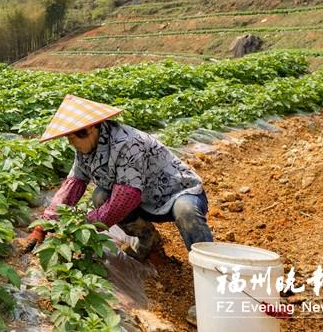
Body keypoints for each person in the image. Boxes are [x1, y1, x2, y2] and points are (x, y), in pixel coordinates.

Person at [24, 94, 214, 325]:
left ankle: (212, 280)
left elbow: (125, 199)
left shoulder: (128, 143)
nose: (70, 143)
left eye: (72, 138)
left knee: (186, 211)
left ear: (89, 129)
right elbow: (73, 185)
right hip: (144, 199)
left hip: (176, 192)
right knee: (101, 195)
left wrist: (85, 223)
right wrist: (45, 224)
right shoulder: (86, 149)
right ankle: (149, 242)